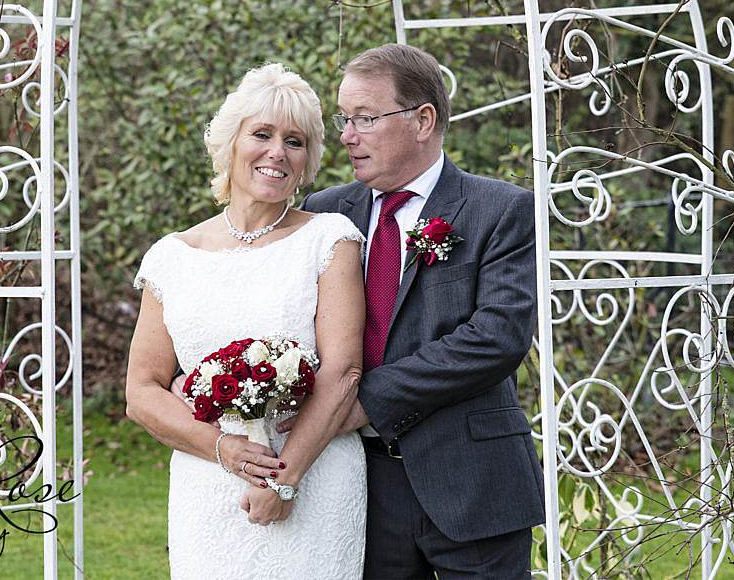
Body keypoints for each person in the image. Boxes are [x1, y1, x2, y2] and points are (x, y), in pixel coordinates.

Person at [295, 43, 546, 578]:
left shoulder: (500, 210)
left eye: (365, 118)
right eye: (344, 119)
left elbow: (496, 337)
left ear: (422, 120)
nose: (346, 135)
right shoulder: (323, 214)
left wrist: (368, 400)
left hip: (474, 481)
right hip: (358, 487)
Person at [125, 63, 368, 579]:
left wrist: (283, 480)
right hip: (207, 484)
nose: (277, 152)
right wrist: (225, 449)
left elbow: (344, 371)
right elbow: (142, 391)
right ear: (230, 143)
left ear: (307, 161)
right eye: (262, 134)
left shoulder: (330, 239)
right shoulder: (172, 256)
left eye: (295, 141)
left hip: (313, 477)